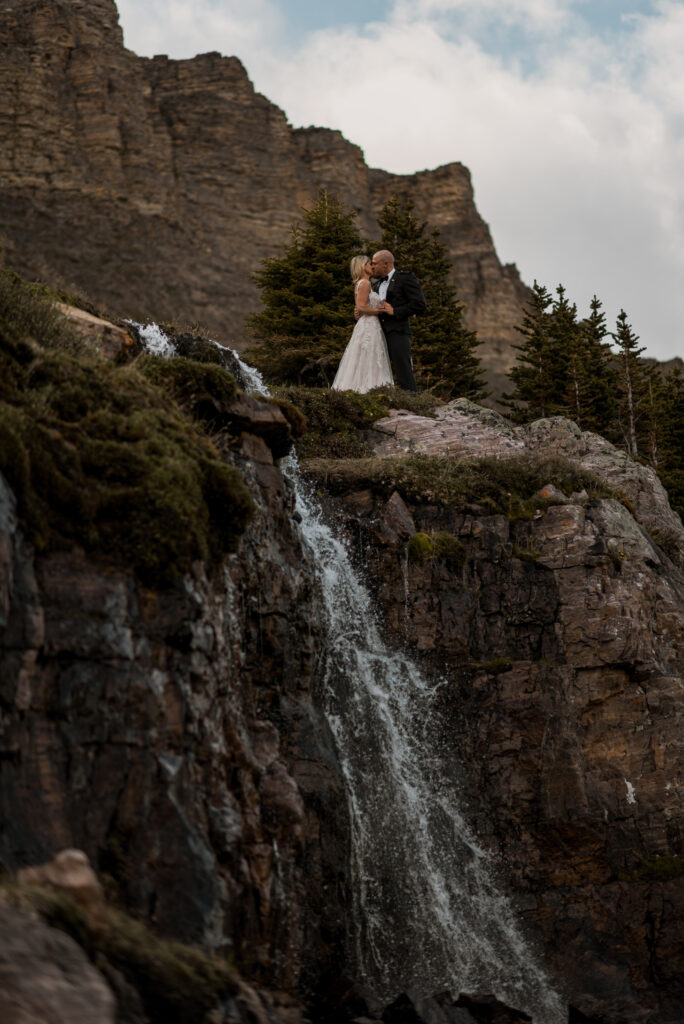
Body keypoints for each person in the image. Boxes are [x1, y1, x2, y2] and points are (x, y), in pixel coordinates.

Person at [331, 254, 394, 393]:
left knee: (364, 356)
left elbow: (360, 307)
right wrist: (380, 310)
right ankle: (369, 389)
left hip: (367, 324)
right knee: (370, 356)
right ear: (362, 266)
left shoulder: (360, 283)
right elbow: (361, 307)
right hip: (369, 325)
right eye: (368, 264)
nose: (371, 266)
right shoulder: (365, 283)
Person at [367, 249, 426, 392]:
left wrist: (396, 311)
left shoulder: (405, 278)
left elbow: (420, 304)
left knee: (403, 369)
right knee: (376, 369)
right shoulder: (375, 285)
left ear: (386, 264)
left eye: (374, 263)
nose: (372, 266)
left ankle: (413, 403)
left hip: (398, 332)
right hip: (378, 333)